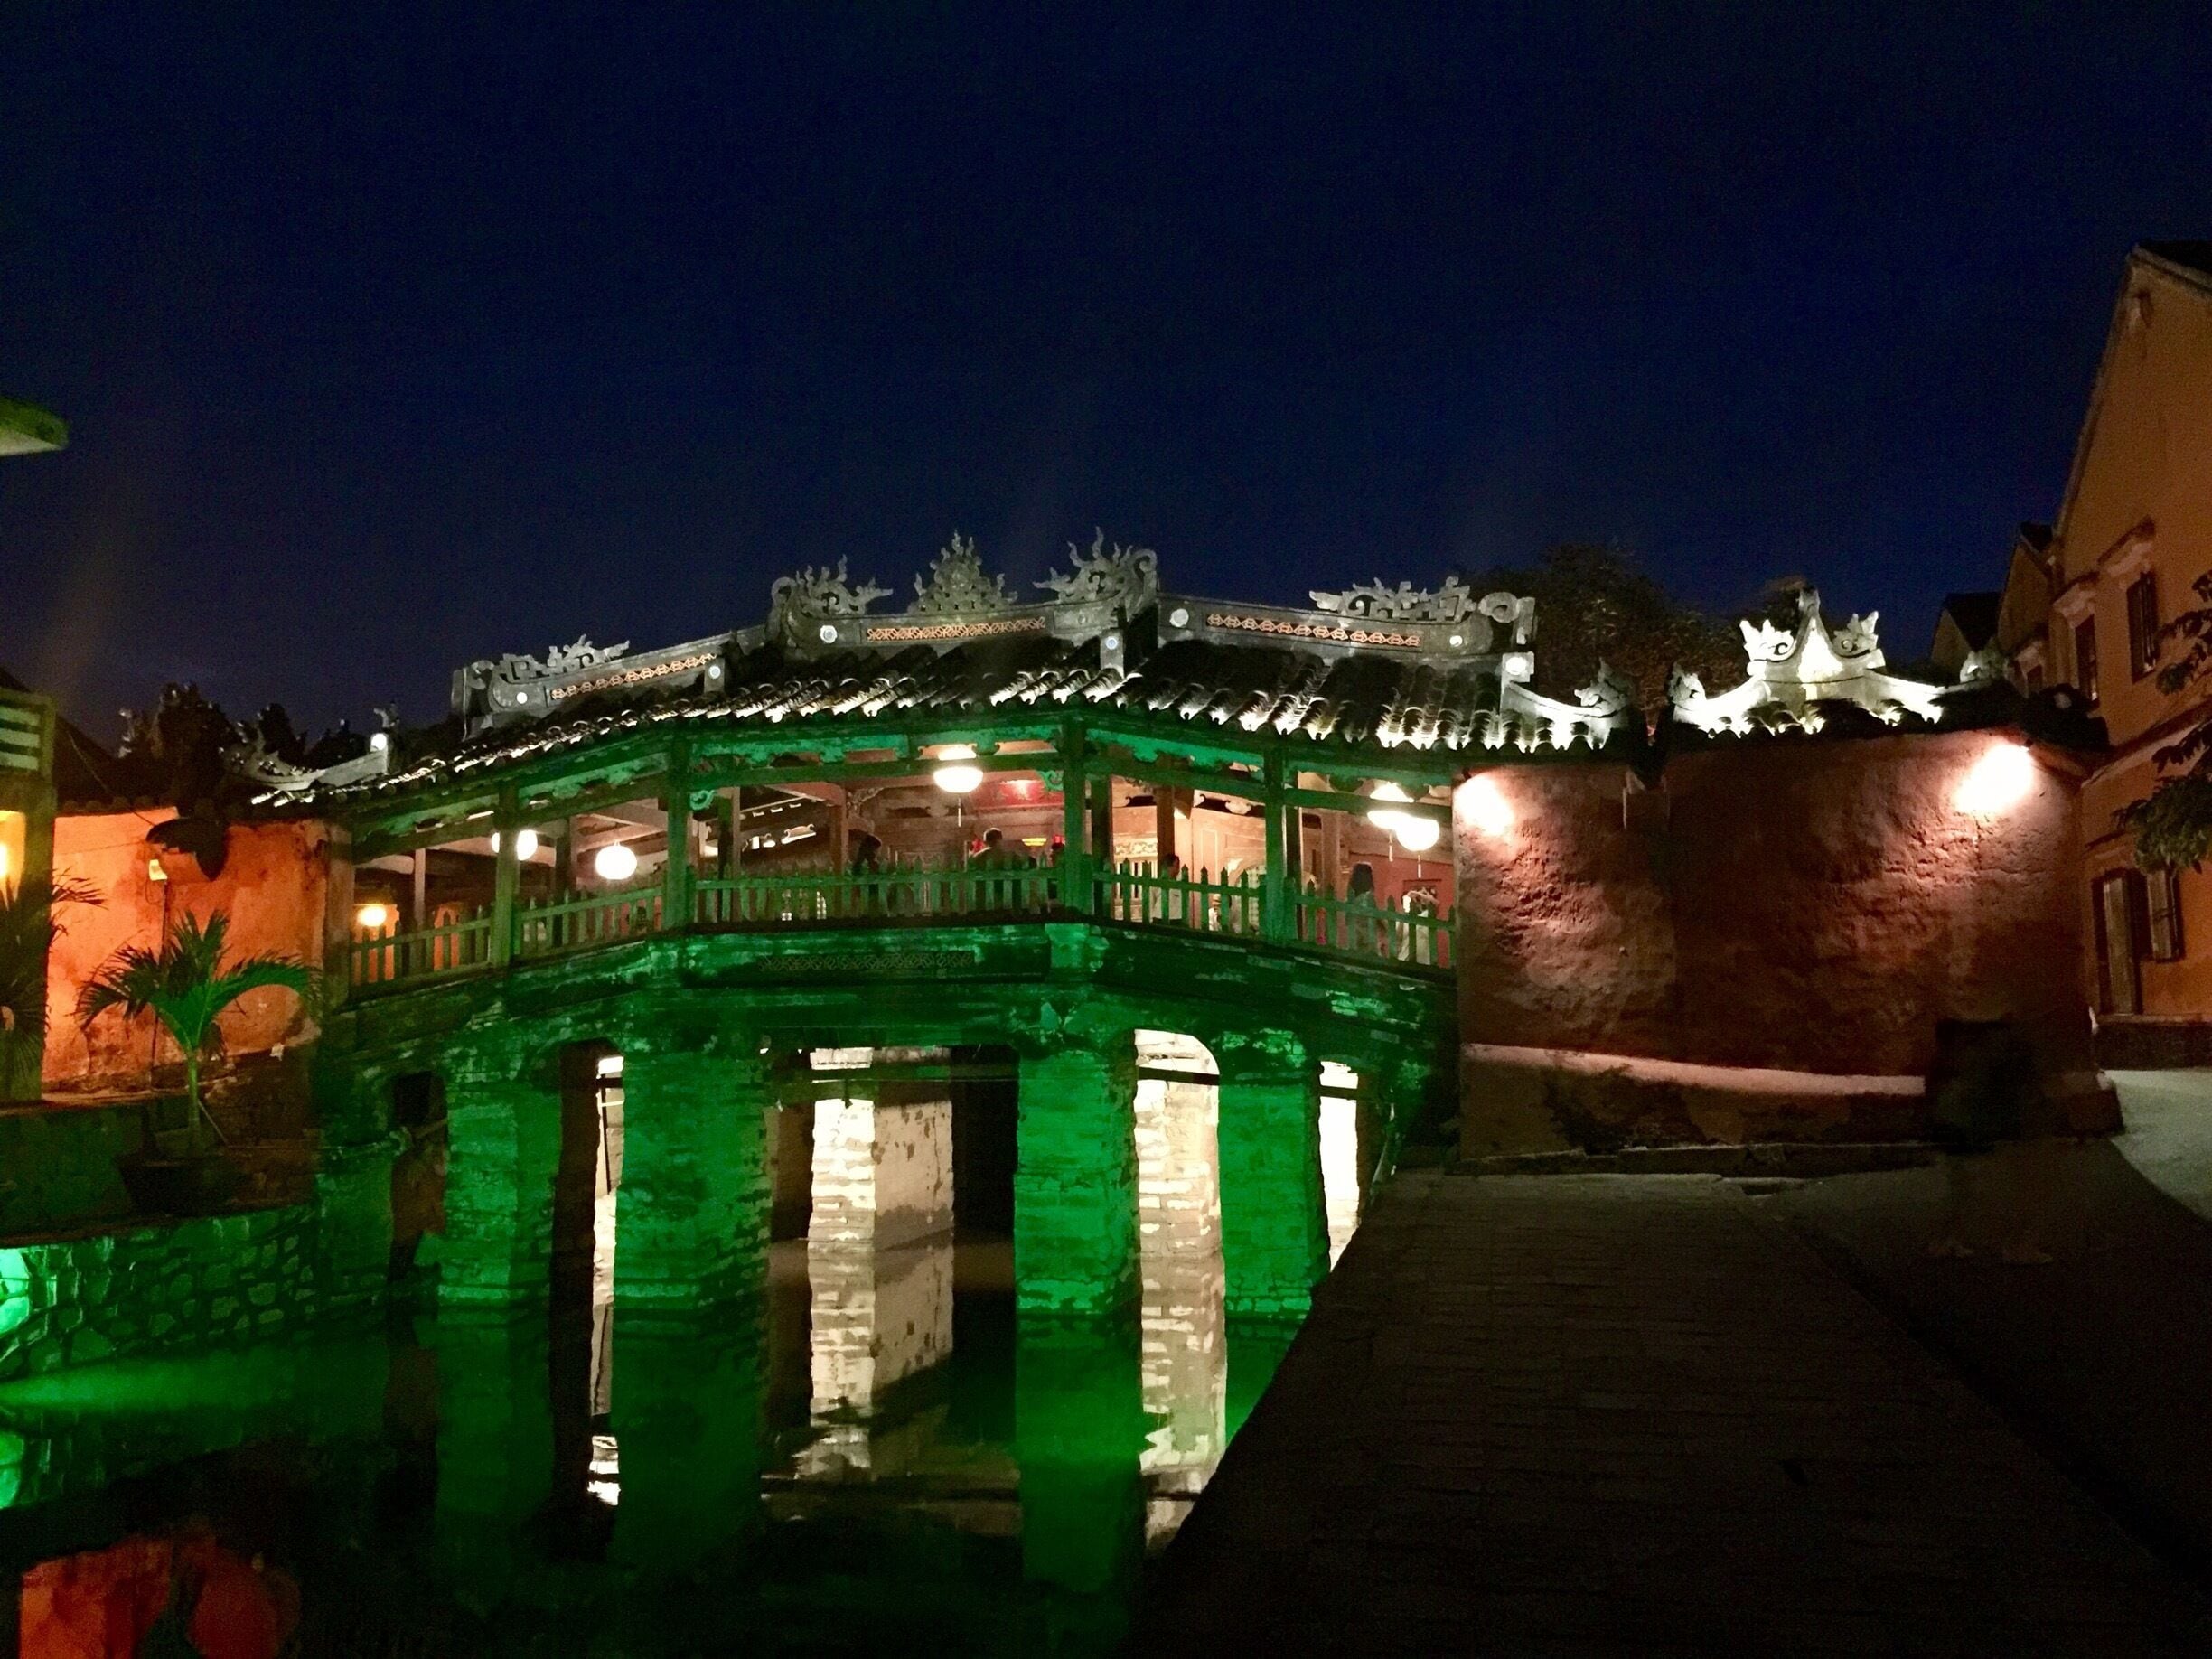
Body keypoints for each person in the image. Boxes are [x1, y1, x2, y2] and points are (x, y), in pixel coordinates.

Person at [1345, 861, 1382, 954]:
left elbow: (1347, 920)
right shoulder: (1368, 898)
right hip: (1367, 939)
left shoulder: (1349, 899)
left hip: (1354, 937)